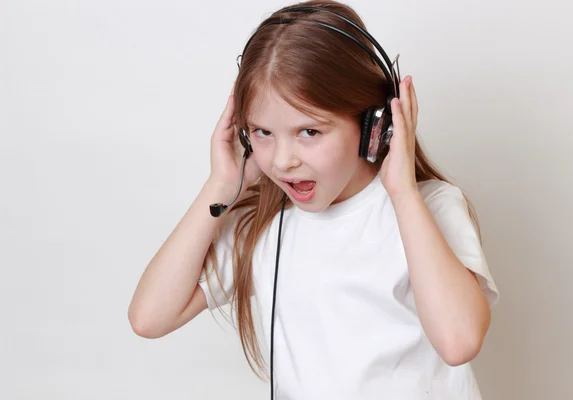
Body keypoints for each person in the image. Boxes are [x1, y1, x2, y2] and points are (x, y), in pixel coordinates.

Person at [128, 1, 499, 398]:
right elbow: (149, 317)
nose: (284, 160)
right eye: (262, 132)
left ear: (375, 126)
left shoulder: (430, 207)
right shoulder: (265, 223)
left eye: (310, 132)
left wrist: (403, 193)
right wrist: (220, 184)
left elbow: (459, 341)